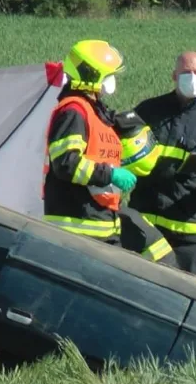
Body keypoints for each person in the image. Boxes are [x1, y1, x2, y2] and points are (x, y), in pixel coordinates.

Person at [127, 51, 196, 278]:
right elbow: (123, 150)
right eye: (186, 72)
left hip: (190, 229)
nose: (191, 78)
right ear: (174, 76)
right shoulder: (148, 110)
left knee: (192, 291)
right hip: (146, 222)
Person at [43, 40, 134, 245]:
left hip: (99, 224)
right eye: (108, 75)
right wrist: (110, 175)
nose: (111, 80)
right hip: (77, 228)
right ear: (93, 75)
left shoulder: (94, 111)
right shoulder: (73, 112)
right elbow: (66, 163)